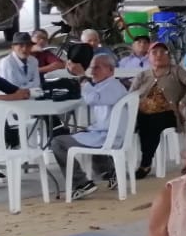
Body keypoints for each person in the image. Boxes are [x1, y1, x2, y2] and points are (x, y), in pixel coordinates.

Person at [52, 52, 129, 198]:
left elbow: (92, 99)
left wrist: (82, 76)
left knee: (58, 143)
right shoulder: (106, 85)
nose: (92, 71)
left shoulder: (113, 86)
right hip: (107, 133)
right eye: (92, 67)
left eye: (97, 68)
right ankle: (111, 173)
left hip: (108, 137)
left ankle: (81, 183)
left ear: (111, 70)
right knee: (82, 133)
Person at [129, 42, 186, 179]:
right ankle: (116, 165)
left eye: (163, 52)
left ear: (168, 56)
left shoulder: (176, 71)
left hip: (168, 114)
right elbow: (130, 95)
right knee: (139, 121)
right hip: (144, 114)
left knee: (153, 121)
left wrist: (183, 103)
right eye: (154, 52)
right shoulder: (143, 75)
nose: (159, 55)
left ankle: (145, 164)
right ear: (148, 56)